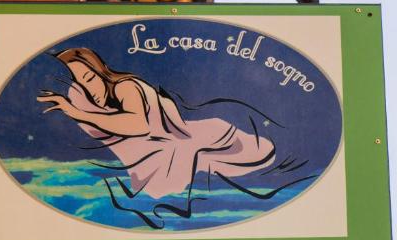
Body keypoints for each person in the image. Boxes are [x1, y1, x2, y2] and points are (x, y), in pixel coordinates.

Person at [37, 47, 277, 201]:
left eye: (90, 78)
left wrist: (77, 112)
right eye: (81, 84)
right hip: (165, 153)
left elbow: (138, 125)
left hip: (191, 141)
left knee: (166, 185)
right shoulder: (87, 100)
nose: (89, 89)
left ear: (101, 71)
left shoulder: (125, 86)